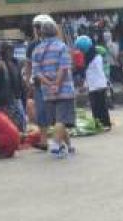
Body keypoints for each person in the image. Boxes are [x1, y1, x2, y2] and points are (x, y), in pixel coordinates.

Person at [32, 17, 76, 158]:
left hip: (47, 91)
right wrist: (56, 84)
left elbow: (36, 72)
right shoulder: (62, 47)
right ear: (56, 31)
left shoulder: (37, 50)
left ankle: (69, 146)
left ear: (42, 33)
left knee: (57, 121)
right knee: (62, 120)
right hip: (64, 89)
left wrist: (49, 84)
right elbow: (63, 68)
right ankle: (56, 145)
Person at [78, 34, 111, 130]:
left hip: (96, 85)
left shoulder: (91, 58)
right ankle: (101, 124)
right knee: (99, 106)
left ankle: (104, 124)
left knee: (98, 106)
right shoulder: (96, 56)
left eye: (81, 49)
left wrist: (84, 84)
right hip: (97, 84)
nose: (80, 52)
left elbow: (90, 73)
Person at [0, 43, 25, 129]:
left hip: (15, 98)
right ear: (4, 52)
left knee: (19, 122)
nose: (11, 53)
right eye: (9, 51)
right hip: (4, 101)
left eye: (12, 50)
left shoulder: (15, 63)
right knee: (9, 124)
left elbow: (19, 81)